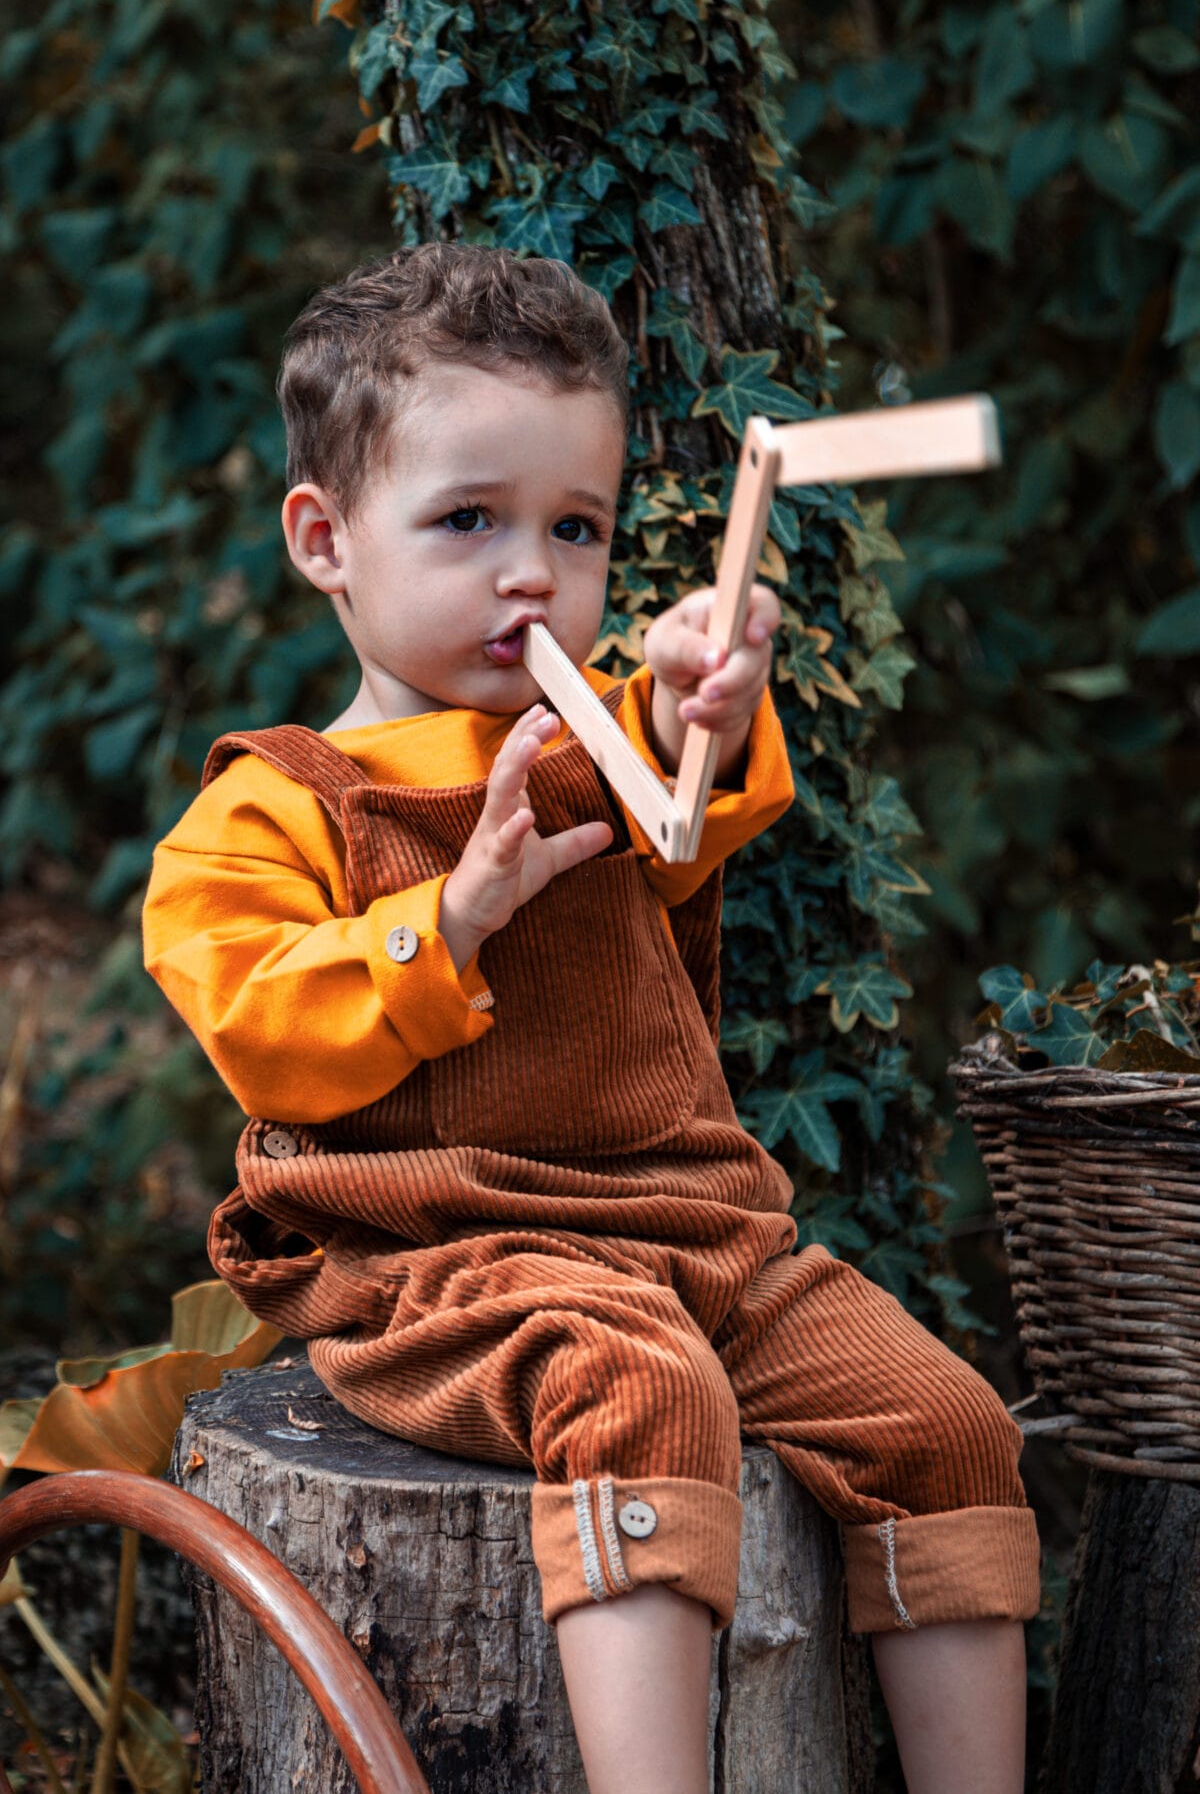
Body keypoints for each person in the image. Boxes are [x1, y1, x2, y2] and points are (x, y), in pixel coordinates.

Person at [143, 242, 1039, 1794]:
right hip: (434, 1252)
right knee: (641, 1392)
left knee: (942, 1418)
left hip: (690, 1228)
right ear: (324, 539)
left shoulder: (593, 735)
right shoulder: (266, 808)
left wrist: (706, 687)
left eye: (577, 528)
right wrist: (455, 911)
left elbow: (685, 794)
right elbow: (264, 1026)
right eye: (468, 521)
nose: (531, 574)